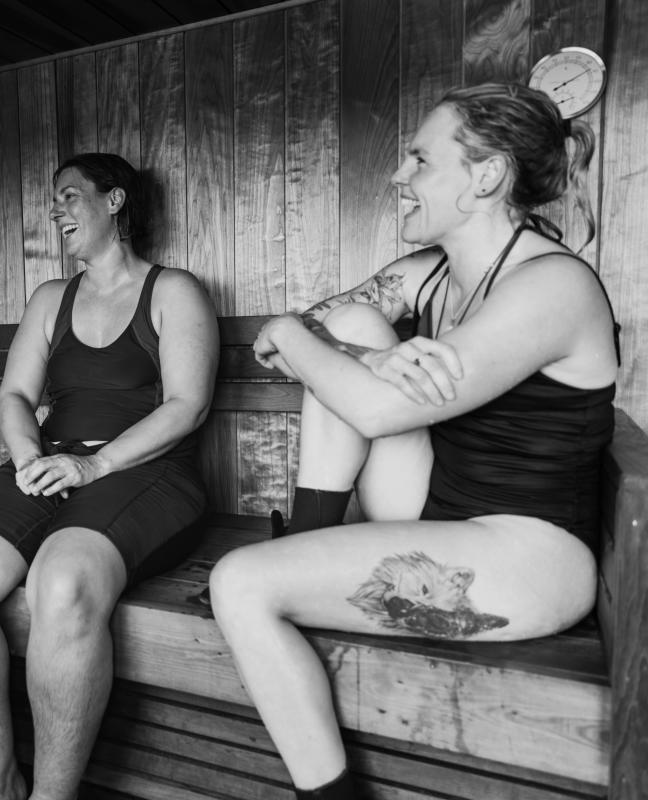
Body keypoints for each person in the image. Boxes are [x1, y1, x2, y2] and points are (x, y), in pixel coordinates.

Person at [208, 83, 618, 800]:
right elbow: (311, 336)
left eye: (419, 159)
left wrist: (302, 338)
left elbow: (344, 388)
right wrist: (362, 351)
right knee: (359, 332)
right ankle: (301, 541)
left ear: (486, 176)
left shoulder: (552, 286)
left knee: (240, 583)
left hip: (528, 552)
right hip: (436, 506)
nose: (399, 176)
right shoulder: (429, 275)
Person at [0, 153, 218, 800]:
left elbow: (186, 406)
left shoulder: (173, 291)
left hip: (149, 471)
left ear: (115, 202)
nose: (56, 209)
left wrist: (95, 464)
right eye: (53, 200)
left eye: (70, 195)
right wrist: (28, 458)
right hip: (54, 461)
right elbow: (15, 398)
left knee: (61, 578)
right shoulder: (51, 299)